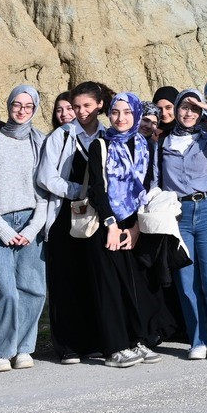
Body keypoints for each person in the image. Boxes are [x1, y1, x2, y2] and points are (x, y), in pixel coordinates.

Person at [0, 85, 50, 372]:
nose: (21, 110)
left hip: (31, 221)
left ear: (34, 109)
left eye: (28, 106)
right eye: (17, 104)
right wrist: (2, 230)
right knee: (6, 291)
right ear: (9, 106)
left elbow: (45, 191)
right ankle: (1, 351)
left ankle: (23, 348)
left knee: (32, 289)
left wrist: (32, 229)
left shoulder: (40, 143)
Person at [156, 90, 207, 361]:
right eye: (184, 108)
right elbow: (156, 181)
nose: (188, 113)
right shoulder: (163, 143)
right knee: (187, 281)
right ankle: (199, 340)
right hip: (179, 213)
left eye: (193, 108)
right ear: (176, 111)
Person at [36, 79, 110, 362]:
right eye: (75, 106)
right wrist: (78, 191)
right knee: (65, 281)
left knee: (92, 277)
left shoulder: (107, 134)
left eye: (86, 106)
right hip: (65, 216)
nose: (80, 111)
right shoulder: (61, 136)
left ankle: (94, 340)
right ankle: (67, 345)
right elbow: (45, 177)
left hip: (98, 217)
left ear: (99, 105)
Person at [86, 93, 162, 368]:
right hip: (106, 224)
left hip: (135, 223)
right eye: (116, 112)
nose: (121, 118)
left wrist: (137, 229)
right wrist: (112, 225)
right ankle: (114, 347)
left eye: (127, 113)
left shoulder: (145, 146)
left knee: (135, 284)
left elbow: (149, 189)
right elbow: (98, 189)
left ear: (137, 115)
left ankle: (136, 338)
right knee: (110, 287)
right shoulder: (100, 146)